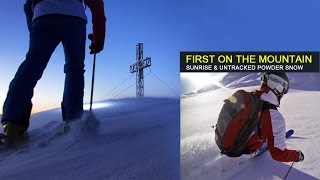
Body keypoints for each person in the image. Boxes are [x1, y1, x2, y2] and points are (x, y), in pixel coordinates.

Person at [1, 0, 106, 146]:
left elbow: (27, 6)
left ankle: (13, 125)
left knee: (32, 65)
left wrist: (35, 28)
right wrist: (98, 38)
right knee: (74, 70)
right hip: (74, 18)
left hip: (43, 14)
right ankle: (73, 122)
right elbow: (96, 4)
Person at [244, 72, 304, 162]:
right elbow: (279, 154)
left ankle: (271, 136)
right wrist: (297, 156)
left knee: (266, 128)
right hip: (246, 151)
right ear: (279, 87)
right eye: (284, 89)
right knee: (270, 134)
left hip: (228, 142)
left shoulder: (249, 96)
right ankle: (271, 139)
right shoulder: (274, 117)